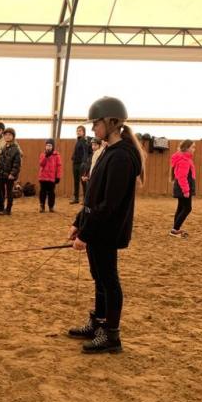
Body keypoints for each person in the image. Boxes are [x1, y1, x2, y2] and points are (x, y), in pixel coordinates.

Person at [68, 96, 146, 354]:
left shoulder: (122, 157)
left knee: (108, 279)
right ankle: (99, 322)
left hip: (107, 230)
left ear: (112, 122)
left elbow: (108, 204)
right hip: (96, 227)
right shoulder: (107, 151)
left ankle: (112, 334)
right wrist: (78, 222)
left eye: (96, 123)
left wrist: (86, 233)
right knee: (99, 276)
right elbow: (93, 195)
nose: (93, 128)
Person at [169, 140, 196, 238]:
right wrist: (186, 190)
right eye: (192, 147)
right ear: (187, 148)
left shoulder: (184, 159)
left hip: (181, 187)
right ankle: (175, 230)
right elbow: (182, 177)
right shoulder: (184, 161)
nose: (194, 149)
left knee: (181, 207)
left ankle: (175, 229)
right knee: (187, 208)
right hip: (183, 188)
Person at [0, 128, 21, 216]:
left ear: (13, 136)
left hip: (10, 175)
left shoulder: (16, 149)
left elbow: (17, 164)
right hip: (1, 173)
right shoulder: (4, 147)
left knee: (9, 192)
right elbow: (0, 161)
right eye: (6, 135)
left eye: (9, 135)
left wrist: (12, 174)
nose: (7, 136)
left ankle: (8, 209)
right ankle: (1, 207)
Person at [38, 138, 62, 213]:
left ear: (53, 147)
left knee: (51, 193)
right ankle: (42, 206)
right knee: (42, 192)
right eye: (47, 145)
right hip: (43, 177)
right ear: (45, 146)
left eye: (50, 145)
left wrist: (58, 176)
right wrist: (46, 156)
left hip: (52, 178)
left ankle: (51, 206)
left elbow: (59, 166)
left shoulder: (57, 155)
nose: (48, 147)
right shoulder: (42, 154)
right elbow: (41, 164)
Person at [70, 125, 91, 204]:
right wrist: (73, 157)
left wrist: (84, 163)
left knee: (83, 182)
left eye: (80, 131)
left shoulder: (84, 140)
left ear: (83, 132)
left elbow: (86, 152)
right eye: (77, 130)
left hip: (81, 164)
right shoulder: (78, 140)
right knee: (76, 181)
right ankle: (76, 198)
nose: (78, 132)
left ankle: (85, 199)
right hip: (75, 163)